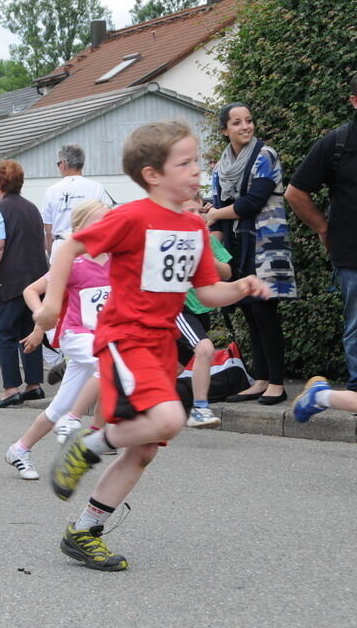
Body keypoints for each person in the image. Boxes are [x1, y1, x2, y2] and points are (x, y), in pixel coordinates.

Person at [34, 120, 271, 572]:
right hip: (126, 337)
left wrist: (241, 285)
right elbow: (67, 250)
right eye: (185, 163)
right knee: (170, 418)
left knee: (144, 447)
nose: (196, 171)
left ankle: (83, 532)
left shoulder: (194, 227)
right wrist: (48, 307)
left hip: (162, 345)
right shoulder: (131, 216)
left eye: (197, 160)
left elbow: (209, 293)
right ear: (153, 175)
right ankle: (87, 445)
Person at [5, 200, 110, 480]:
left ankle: (20, 448)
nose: (104, 227)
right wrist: (40, 319)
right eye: (97, 221)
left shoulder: (117, 262)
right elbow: (31, 290)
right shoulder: (72, 264)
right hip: (76, 335)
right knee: (110, 364)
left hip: (100, 338)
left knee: (59, 406)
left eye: (108, 221)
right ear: (80, 229)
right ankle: (82, 426)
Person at [206, 103, 296, 405]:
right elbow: (217, 217)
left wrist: (215, 213)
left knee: (264, 310)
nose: (245, 126)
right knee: (247, 310)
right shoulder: (220, 168)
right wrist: (213, 254)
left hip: (264, 244)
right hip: (235, 247)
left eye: (248, 121)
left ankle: (277, 383)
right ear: (225, 130)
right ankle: (259, 379)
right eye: (237, 122)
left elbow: (251, 203)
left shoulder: (265, 156)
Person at [286, 73, 357, 393]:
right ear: (354, 101)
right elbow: (295, 192)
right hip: (352, 251)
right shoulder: (337, 143)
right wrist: (323, 228)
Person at [0, 160, 48, 408]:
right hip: (36, 280)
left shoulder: (0, 210)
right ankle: (34, 384)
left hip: (8, 283)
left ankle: (10, 388)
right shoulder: (33, 209)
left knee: (5, 335)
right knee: (30, 332)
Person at [178, 193, 233, 427]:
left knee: (173, 367)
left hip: (202, 309)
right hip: (178, 308)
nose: (197, 216)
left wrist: (207, 258)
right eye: (189, 211)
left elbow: (227, 272)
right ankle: (200, 408)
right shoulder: (170, 240)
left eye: (200, 212)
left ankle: (131, 408)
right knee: (205, 348)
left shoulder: (208, 240)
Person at [41, 144, 113, 258]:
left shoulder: (51, 191)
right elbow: (108, 220)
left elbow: (48, 230)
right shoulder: (96, 187)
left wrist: (50, 254)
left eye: (58, 163)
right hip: (89, 248)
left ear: (64, 164)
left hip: (61, 248)